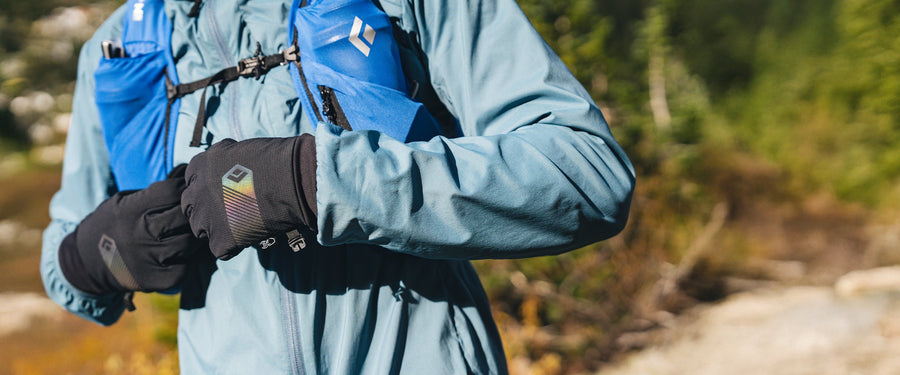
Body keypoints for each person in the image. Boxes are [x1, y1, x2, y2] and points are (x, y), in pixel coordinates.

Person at [41, 0, 636, 373]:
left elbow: (585, 172)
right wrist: (104, 248)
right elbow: (62, 266)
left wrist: (316, 181)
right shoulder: (117, 53)